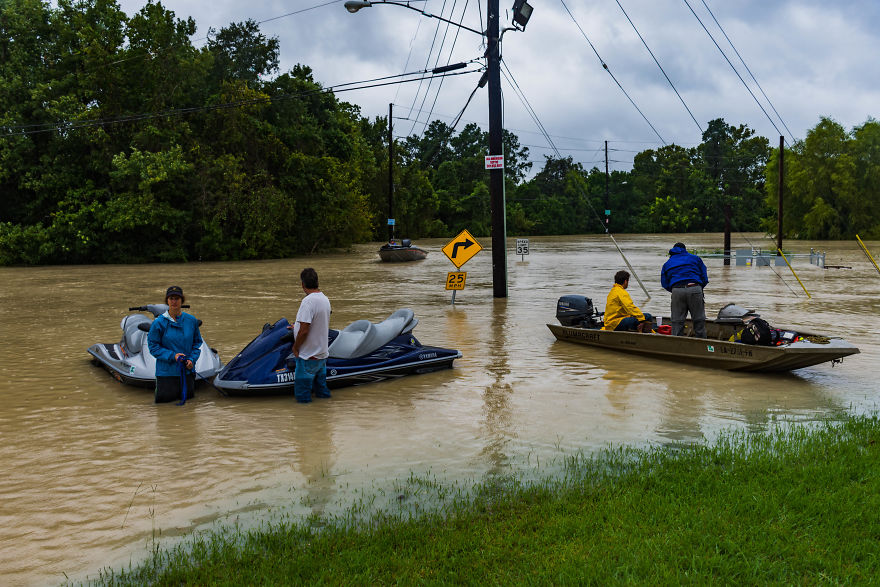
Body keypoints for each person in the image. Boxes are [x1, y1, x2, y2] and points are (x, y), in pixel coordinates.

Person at [148, 285, 203, 403]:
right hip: (166, 375)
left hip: (187, 373)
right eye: (171, 298)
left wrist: (192, 360)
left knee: (189, 410)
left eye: (177, 298)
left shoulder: (191, 320)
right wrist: (173, 356)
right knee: (164, 412)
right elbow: (153, 347)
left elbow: (197, 344)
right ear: (167, 301)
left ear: (182, 301)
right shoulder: (158, 323)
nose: (174, 301)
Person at [289, 268, 332, 403]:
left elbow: (304, 331)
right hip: (321, 355)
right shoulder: (325, 299)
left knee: (303, 398)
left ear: (303, 284)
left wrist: (296, 348)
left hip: (308, 357)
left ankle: (305, 422)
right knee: (322, 392)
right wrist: (296, 325)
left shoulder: (308, 302)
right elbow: (317, 321)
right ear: (317, 282)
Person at [660, 242, 709, 338]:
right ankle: (703, 344)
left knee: (677, 321)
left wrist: (675, 290)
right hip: (695, 288)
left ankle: (677, 344)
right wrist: (698, 287)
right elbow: (705, 277)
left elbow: (664, 283)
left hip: (677, 290)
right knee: (699, 319)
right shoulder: (695, 258)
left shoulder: (667, 263)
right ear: (685, 249)